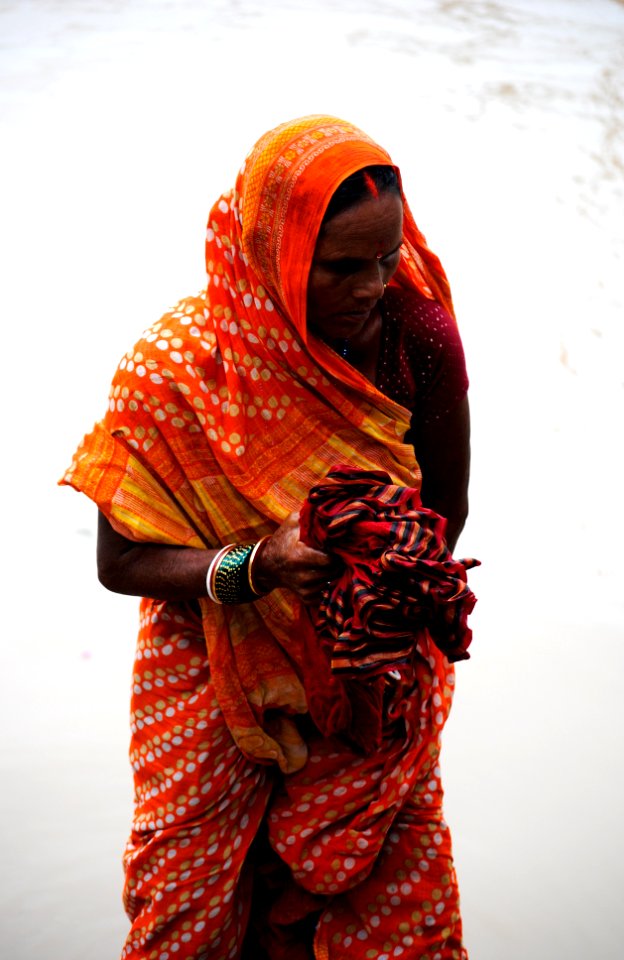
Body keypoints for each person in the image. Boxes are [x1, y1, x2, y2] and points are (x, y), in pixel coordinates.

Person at [61, 114, 474, 960]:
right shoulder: (176, 369)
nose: (369, 288)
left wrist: (371, 591)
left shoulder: (415, 337)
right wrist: (261, 567)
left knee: (393, 917)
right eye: (340, 268)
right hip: (208, 653)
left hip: (367, 663)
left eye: (386, 259)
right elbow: (118, 563)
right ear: (275, 254)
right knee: (187, 915)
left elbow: (446, 516)